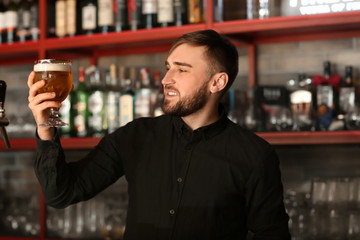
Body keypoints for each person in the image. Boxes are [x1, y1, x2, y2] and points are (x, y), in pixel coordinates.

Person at [28, 29, 291, 240]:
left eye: (182, 69)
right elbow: (60, 194)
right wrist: (45, 129)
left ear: (217, 82)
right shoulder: (135, 135)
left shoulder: (255, 155)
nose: (166, 79)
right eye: (168, 67)